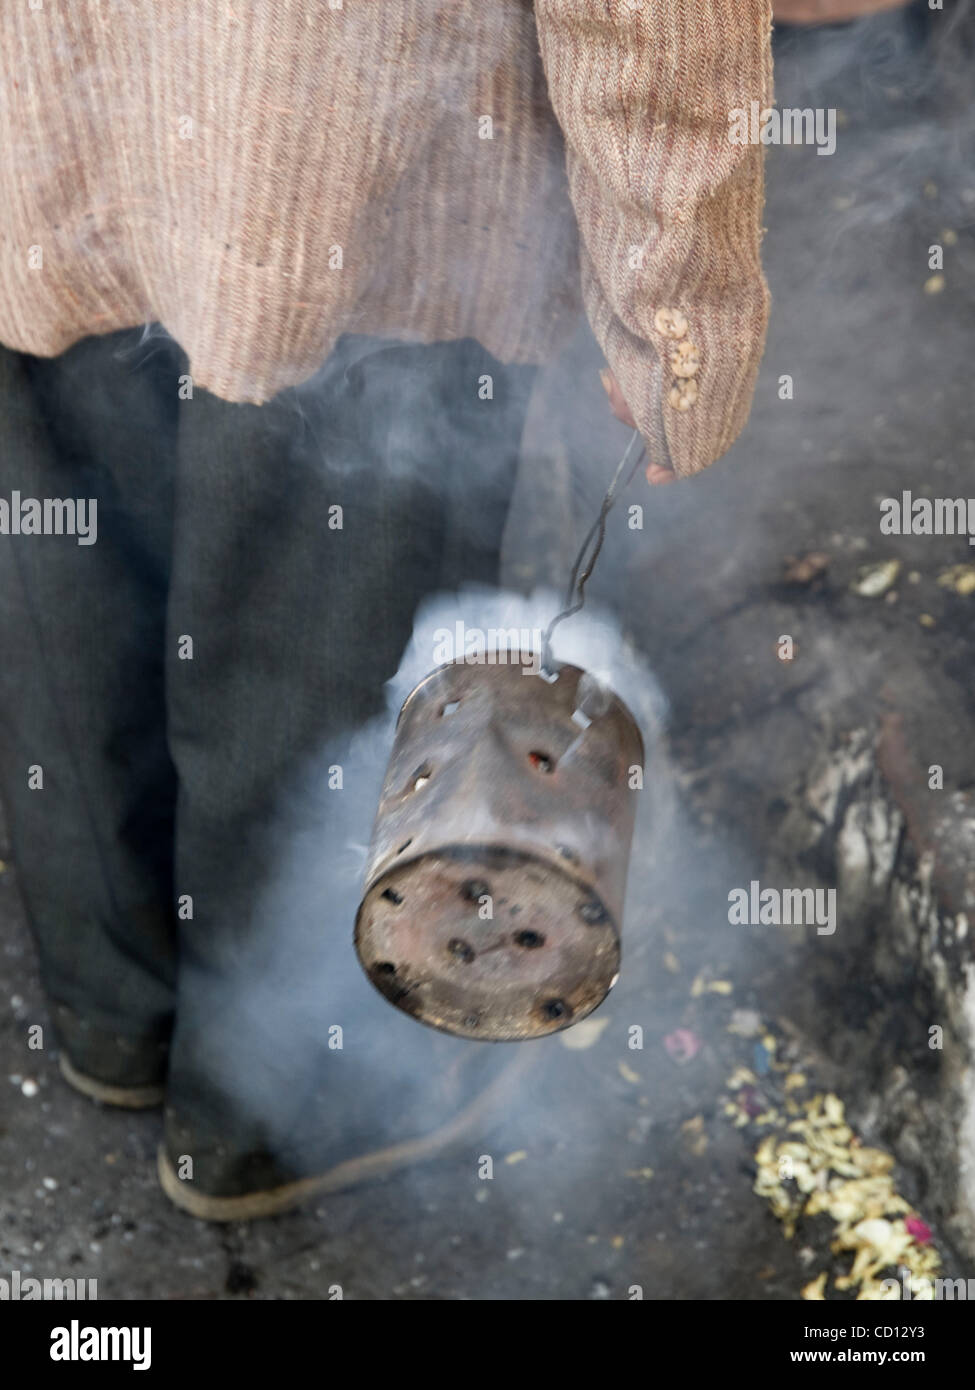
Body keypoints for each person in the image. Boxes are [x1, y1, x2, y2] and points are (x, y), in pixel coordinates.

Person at [0, 1, 772, 1219]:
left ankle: (118, 1016)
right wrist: (676, 299)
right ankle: (263, 1112)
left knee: (79, 589)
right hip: (340, 168)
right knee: (303, 655)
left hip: (43, 132)